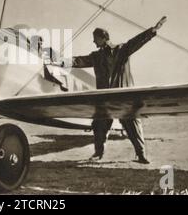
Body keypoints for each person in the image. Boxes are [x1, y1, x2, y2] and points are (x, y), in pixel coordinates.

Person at [54, 16, 167, 164]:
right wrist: (60, 61)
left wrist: (153, 30)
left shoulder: (122, 49)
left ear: (103, 38)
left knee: (132, 124)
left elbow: (136, 42)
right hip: (105, 97)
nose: (93, 42)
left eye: (95, 38)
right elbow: (78, 60)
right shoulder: (96, 56)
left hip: (123, 96)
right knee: (99, 124)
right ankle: (98, 153)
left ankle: (141, 155)